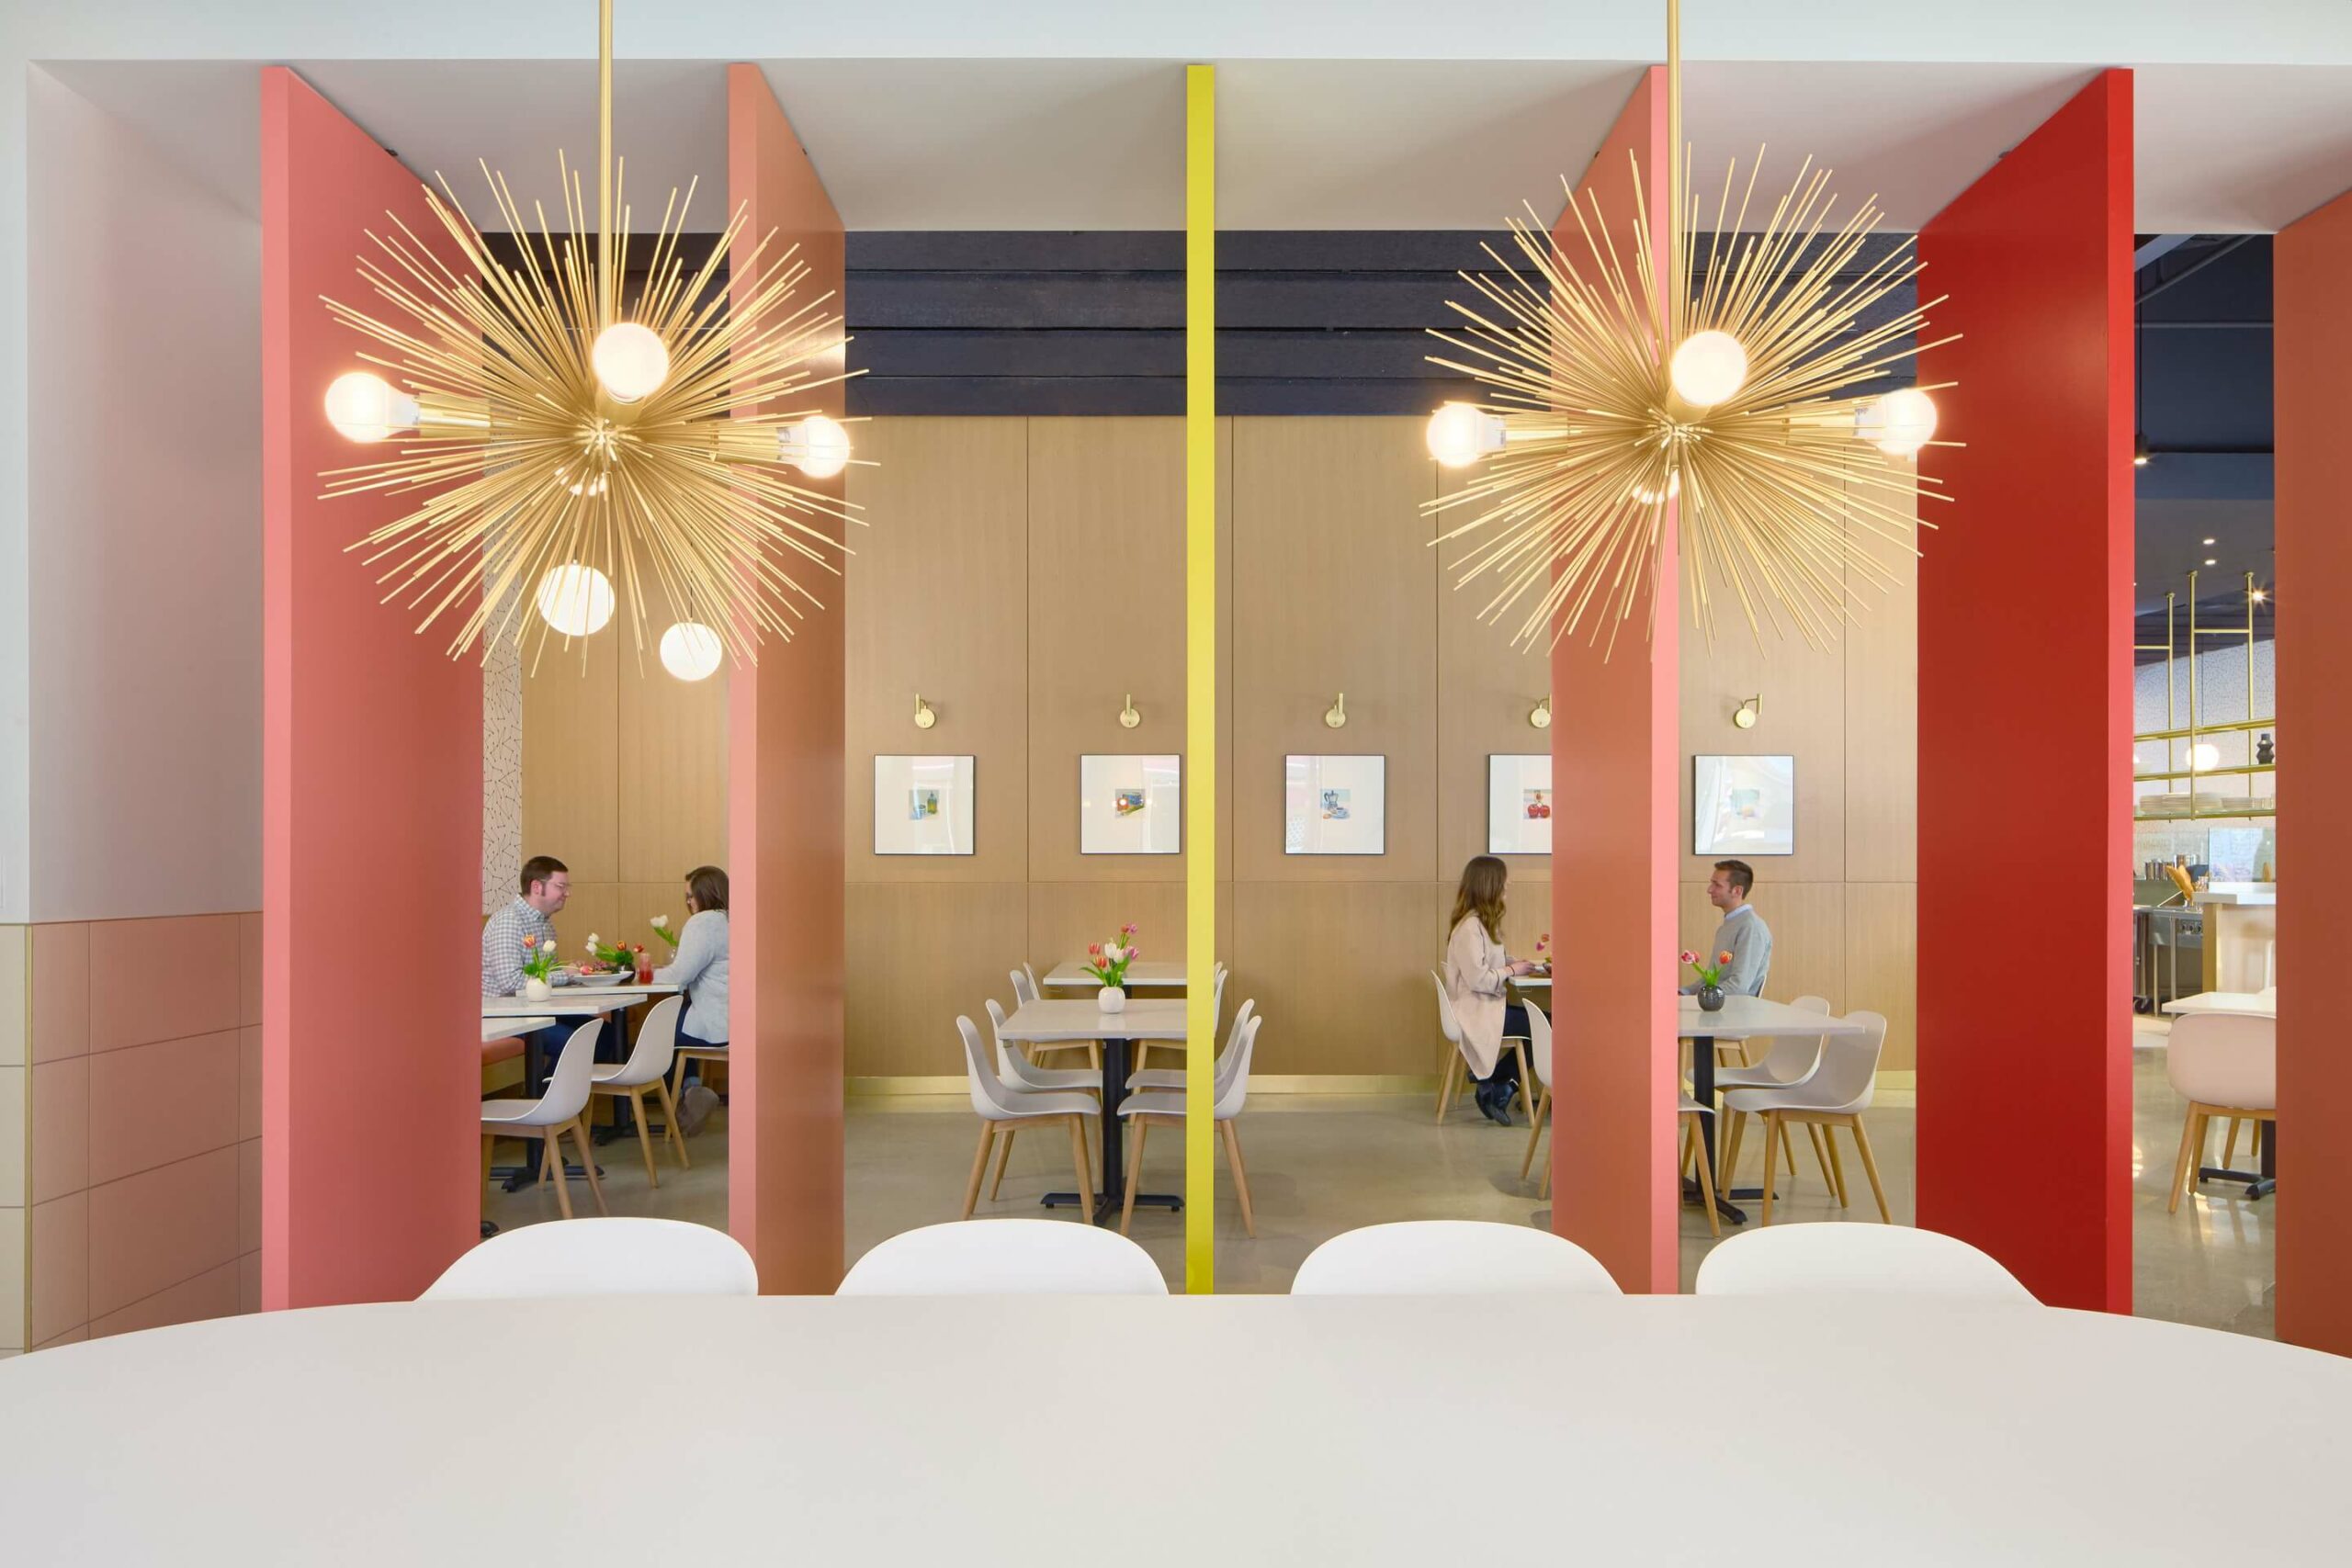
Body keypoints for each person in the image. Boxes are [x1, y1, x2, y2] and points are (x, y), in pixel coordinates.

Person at [1444, 854, 1543, 1126]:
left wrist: (1520, 964)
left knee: (1546, 1024)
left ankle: (1498, 1084)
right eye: (1504, 880)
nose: (1508, 884)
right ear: (1490, 885)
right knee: (1547, 1025)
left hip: (1485, 1006)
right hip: (1476, 1011)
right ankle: (1500, 1085)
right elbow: (1480, 980)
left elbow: (1487, 963)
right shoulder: (1470, 928)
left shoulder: (1479, 924)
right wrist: (1511, 970)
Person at [656, 864, 729, 1137]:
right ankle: (692, 1089)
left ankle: (688, 1094)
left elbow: (680, 975)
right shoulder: (734, 919)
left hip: (718, 1023)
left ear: (706, 893)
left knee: (658, 1032)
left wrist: (643, 975)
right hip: (739, 1019)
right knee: (676, 1021)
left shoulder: (703, 922)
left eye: (691, 896)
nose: (688, 902)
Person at [1686, 859, 1773, 997]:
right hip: (1715, 1004)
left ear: (1737, 891)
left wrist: (1698, 997)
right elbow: (1709, 979)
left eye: (1717, 885)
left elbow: (1739, 987)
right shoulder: (1727, 927)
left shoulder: (1751, 928)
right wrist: (1683, 993)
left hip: (1734, 1008)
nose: (1709, 890)